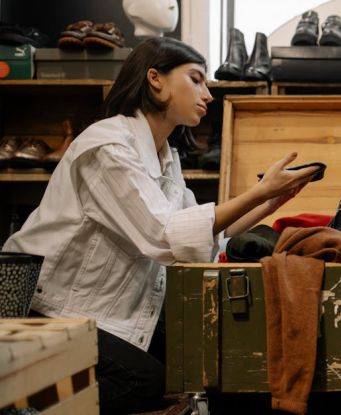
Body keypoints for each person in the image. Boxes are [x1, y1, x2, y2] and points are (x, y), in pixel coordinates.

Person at [2, 37, 318, 413]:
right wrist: (259, 192)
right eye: (196, 79)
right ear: (156, 79)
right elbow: (163, 235)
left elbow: (199, 235)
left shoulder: (166, 157)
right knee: (143, 380)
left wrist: (269, 202)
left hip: (91, 310)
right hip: (41, 306)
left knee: (189, 361)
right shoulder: (108, 146)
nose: (208, 94)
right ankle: (19, 399)